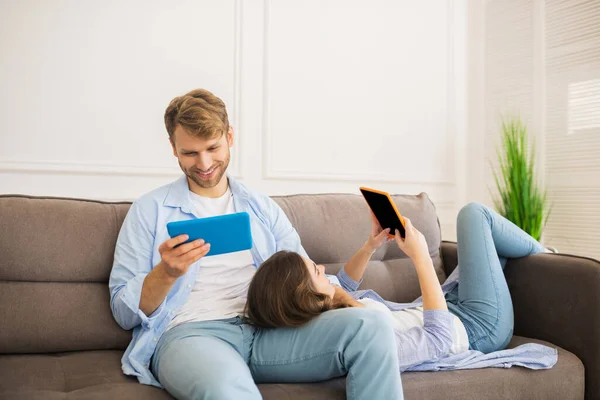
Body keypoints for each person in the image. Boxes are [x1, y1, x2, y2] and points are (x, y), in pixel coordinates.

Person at [108, 88, 404, 400]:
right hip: (192, 334)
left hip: (270, 329)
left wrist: (353, 304)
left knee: (371, 325)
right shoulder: (149, 211)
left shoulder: (261, 207)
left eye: (213, 147)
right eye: (190, 153)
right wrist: (166, 274)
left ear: (230, 137)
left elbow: (307, 277)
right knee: (226, 388)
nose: (205, 163)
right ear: (173, 148)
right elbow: (122, 312)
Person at [245, 203, 551, 372]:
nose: (323, 268)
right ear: (308, 297)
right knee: (474, 215)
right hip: (477, 327)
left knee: (491, 245)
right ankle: (547, 255)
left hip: (451, 304)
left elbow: (345, 285)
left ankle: (543, 255)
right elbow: (439, 338)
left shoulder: (329, 310)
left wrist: (370, 246)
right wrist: (420, 256)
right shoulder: (364, 338)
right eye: (316, 271)